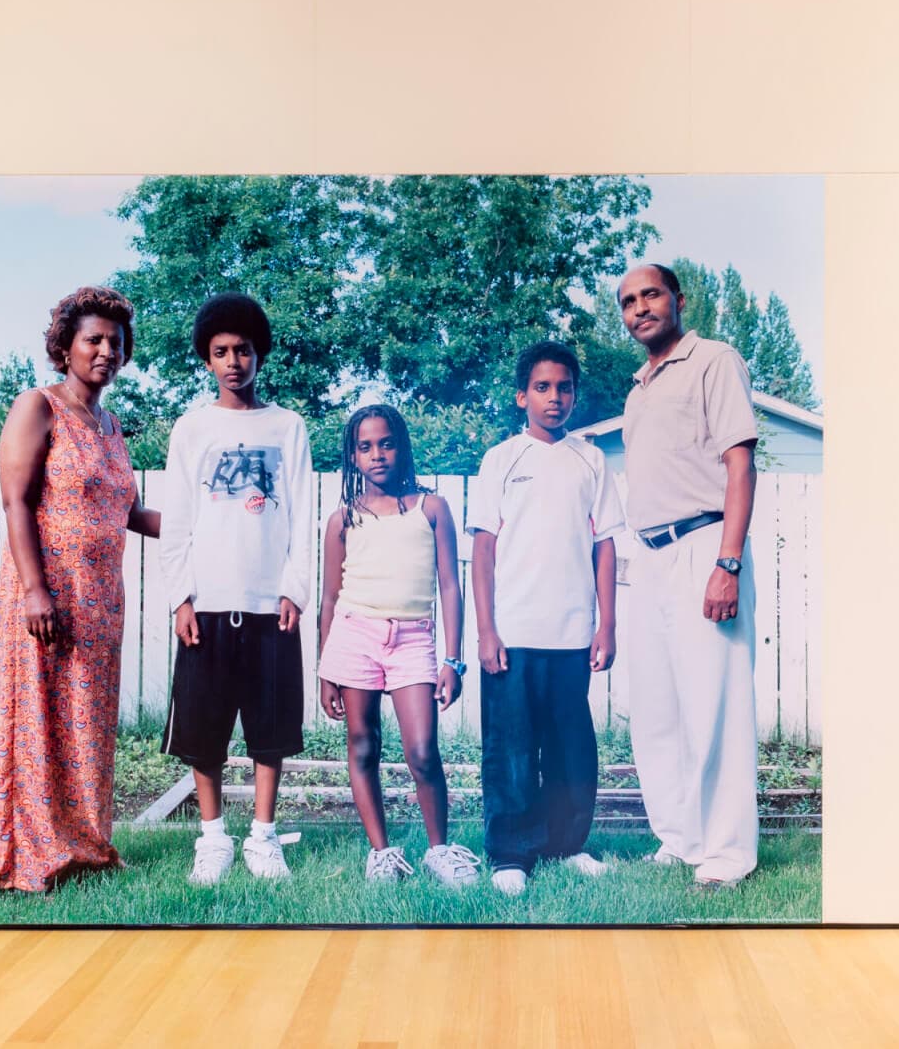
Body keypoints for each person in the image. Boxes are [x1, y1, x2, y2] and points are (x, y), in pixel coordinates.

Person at [0, 286, 159, 894]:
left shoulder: (110, 426)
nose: (107, 350)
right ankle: (38, 853)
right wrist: (35, 589)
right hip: (48, 593)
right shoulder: (39, 406)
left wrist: (213, 522)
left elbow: (131, 513)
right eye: (94, 339)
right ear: (66, 346)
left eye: (116, 341)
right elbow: (16, 500)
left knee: (89, 724)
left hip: (101, 600)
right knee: (42, 721)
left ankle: (87, 844)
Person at [158, 293, 315, 884]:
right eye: (220, 352)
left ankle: (263, 837)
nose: (232, 362)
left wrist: (294, 590)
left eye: (243, 350)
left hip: (268, 604)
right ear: (207, 359)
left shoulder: (287, 426)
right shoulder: (192, 428)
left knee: (269, 730)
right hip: (209, 604)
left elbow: (300, 515)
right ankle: (214, 838)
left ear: (259, 355)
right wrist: (181, 597)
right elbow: (177, 523)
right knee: (204, 730)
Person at [614, 263, 760, 888]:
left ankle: (726, 856)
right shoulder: (638, 387)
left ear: (677, 299)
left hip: (704, 545)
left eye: (650, 295)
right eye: (627, 302)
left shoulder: (713, 360)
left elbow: (740, 465)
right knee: (656, 708)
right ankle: (679, 838)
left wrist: (727, 563)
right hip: (647, 557)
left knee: (713, 703)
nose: (640, 308)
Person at [469, 341, 626, 896]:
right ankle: (511, 852)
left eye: (564, 387)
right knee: (510, 747)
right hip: (513, 631)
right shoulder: (502, 459)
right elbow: (483, 550)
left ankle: (567, 845)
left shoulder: (590, 460)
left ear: (575, 395)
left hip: (571, 633)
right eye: (542, 387)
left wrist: (605, 624)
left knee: (570, 748)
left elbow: (605, 545)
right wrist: (486, 630)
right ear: (521, 396)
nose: (554, 397)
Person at [317, 404, 479, 886]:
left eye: (386, 443)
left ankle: (439, 850)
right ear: (352, 457)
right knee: (362, 744)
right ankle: (381, 852)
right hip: (354, 635)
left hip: (412, 639)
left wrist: (453, 659)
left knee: (423, 750)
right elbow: (329, 597)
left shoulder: (431, 508)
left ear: (401, 446)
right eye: (364, 447)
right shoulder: (343, 518)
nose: (377, 454)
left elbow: (450, 585)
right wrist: (326, 668)